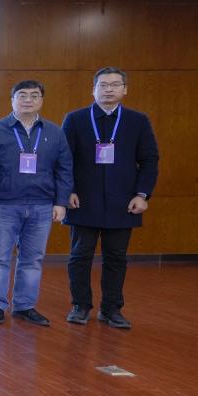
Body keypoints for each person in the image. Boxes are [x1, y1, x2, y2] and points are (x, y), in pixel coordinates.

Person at [62, 67, 159, 329]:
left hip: (123, 202)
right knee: (79, 256)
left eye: (115, 85)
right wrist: (68, 190)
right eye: (103, 85)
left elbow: (149, 160)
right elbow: (64, 159)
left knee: (116, 257)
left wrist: (142, 194)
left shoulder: (137, 121)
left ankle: (112, 309)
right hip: (82, 200)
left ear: (125, 89)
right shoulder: (76, 119)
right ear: (93, 89)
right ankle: (80, 305)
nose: (108, 89)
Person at [0, 80, 72, 326]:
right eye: (22, 95)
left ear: (41, 100)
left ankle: (24, 306)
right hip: (3, 204)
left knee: (32, 259)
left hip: (42, 205)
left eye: (34, 95)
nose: (28, 100)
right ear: (12, 100)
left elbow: (64, 169)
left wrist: (61, 202)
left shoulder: (54, 132)